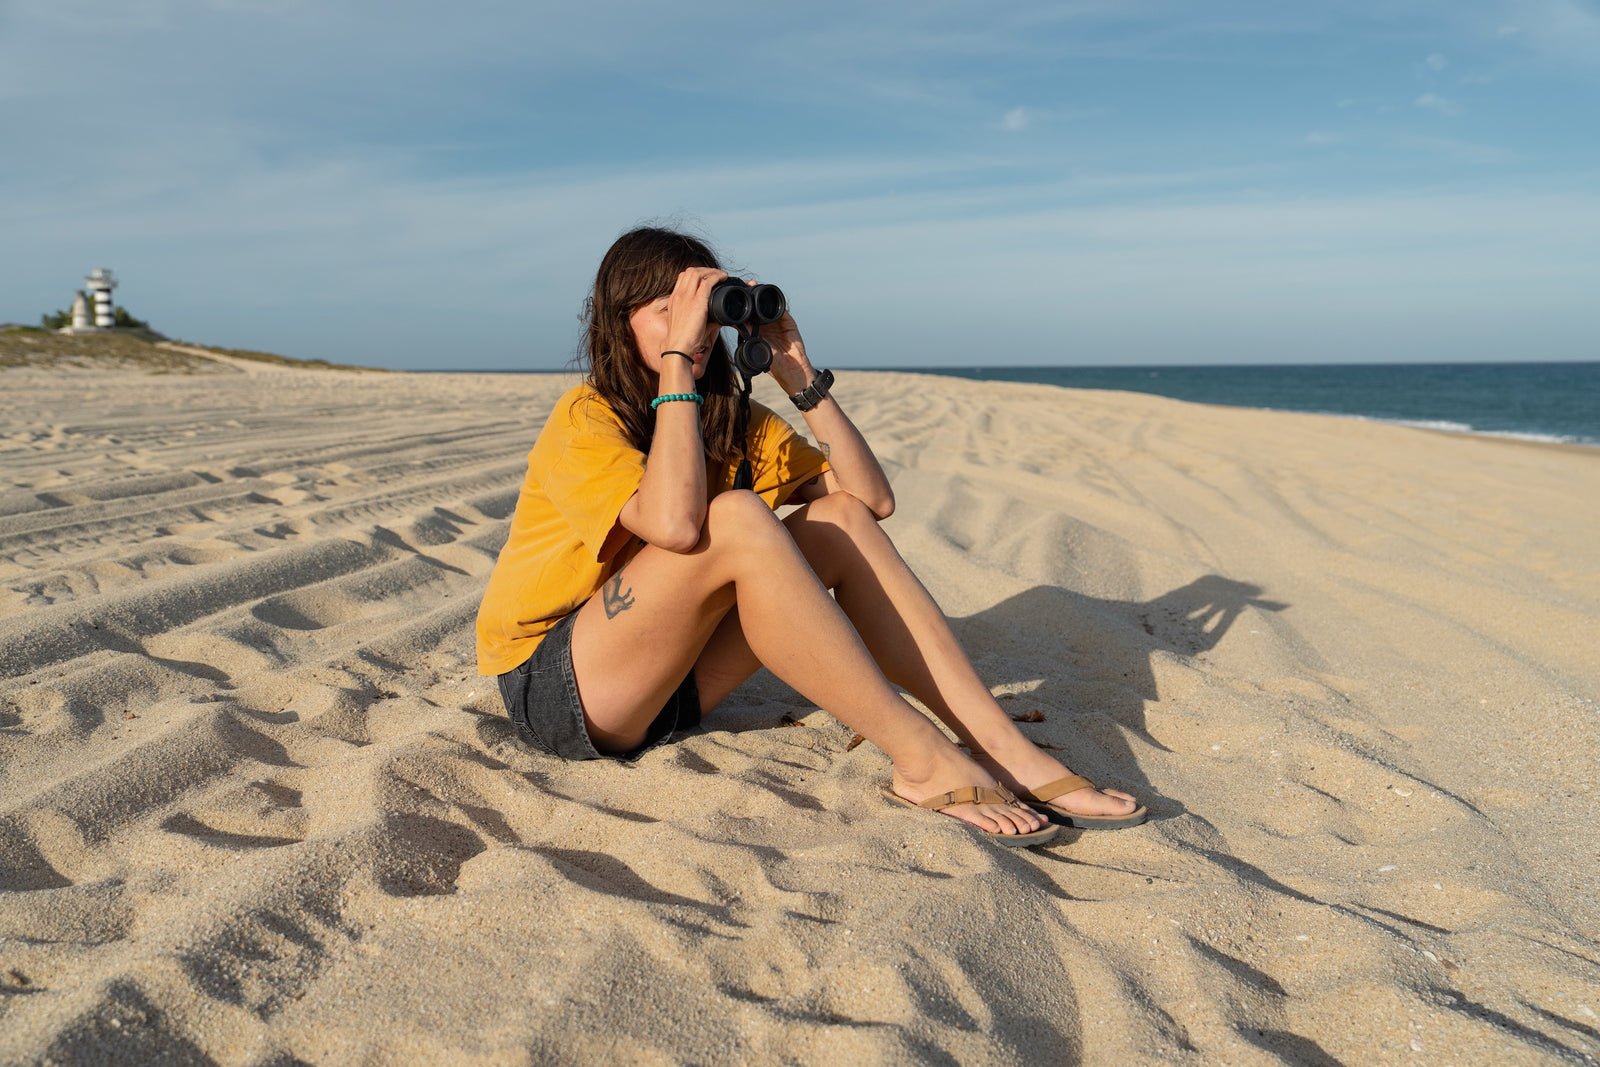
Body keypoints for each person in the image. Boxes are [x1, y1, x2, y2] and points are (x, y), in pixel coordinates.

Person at [476, 226, 1145, 847]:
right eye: (670, 311)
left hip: (673, 690)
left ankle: (998, 742)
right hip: (561, 691)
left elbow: (869, 503)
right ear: (618, 324)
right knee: (736, 516)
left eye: (708, 312)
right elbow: (675, 525)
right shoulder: (586, 418)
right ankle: (920, 755)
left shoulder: (731, 419)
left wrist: (799, 376)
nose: (698, 330)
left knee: (835, 520)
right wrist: (678, 361)